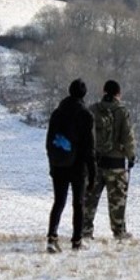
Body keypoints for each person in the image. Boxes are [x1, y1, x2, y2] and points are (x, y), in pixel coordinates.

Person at [46, 78, 96, 250]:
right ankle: (76, 240)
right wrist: (93, 172)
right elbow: (89, 147)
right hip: (78, 166)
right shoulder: (85, 115)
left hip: (58, 164)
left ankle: (52, 237)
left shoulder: (57, 113)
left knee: (59, 201)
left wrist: (52, 162)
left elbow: (49, 141)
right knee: (78, 204)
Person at [91, 78, 138, 241]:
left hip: (95, 163)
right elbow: (128, 137)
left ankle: (85, 229)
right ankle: (119, 232)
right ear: (119, 94)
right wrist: (131, 156)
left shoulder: (93, 110)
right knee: (117, 201)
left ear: (103, 92)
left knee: (89, 199)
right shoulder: (122, 111)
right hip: (117, 165)